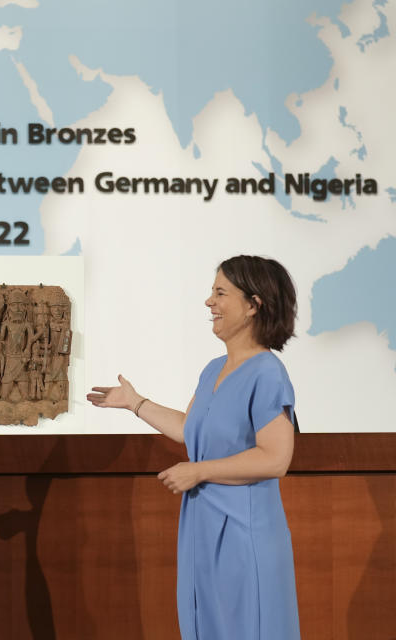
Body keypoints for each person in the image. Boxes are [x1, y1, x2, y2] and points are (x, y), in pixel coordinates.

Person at [87, 255, 300, 640]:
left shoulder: (268, 372)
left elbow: (275, 458)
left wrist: (198, 470)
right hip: (203, 528)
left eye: (221, 293)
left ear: (254, 305)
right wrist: (135, 403)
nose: (209, 302)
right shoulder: (213, 369)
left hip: (244, 535)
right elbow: (191, 430)